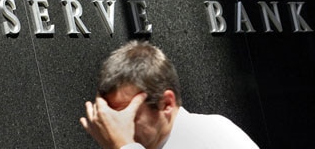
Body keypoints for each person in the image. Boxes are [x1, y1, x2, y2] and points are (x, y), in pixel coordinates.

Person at [80, 41, 259, 149]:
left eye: (129, 114)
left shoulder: (206, 134)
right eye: (113, 116)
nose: (118, 127)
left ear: (166, 103)